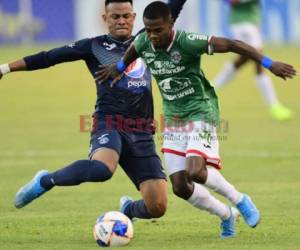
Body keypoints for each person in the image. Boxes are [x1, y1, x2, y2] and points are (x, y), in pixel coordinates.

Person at [97, 1, 296, 238]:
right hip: (174, 117)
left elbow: (234, 44)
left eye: (157, 30)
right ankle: (226, 214)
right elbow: (131, 54)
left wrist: (269, 63)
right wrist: (117, 68)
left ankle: (240, 199)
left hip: (201, 110)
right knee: (180, 187)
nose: (152, 36)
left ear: (170, 24)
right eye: (148, 30)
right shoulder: (143, 42)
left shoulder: (188, 41)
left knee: (196, 171)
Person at [0, 0, 185, 222]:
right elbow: (49, 57)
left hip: (141, 130)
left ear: (134, 17)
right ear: (105, 19)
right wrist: (5, 68)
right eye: (115, 16)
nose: (121, 21)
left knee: (157, 206)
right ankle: (45, 181)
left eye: (126, 16)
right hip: (109, 122)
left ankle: (127, 210)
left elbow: (171, 8)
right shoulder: (93, 46)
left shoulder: (146, 40)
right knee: (102, 169)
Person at [213, 0, 293, 121]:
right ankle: (274, 106)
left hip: (249, 23)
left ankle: (212, 86)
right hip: (243, 24)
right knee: (258, 60)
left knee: (246, 58)